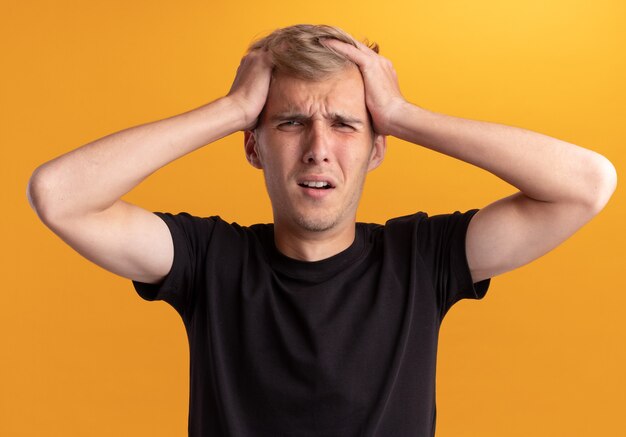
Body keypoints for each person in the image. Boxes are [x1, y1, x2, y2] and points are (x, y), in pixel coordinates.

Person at [27, 24, 616, 437]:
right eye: (290, 122)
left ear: (376, 147)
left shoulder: (420, 260)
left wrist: (405, 115)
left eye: (344, 124)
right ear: (254, 147)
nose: (318, 150)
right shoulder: (209, 260)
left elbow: (588, 183)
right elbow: (59, 195)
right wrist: (232, 110)